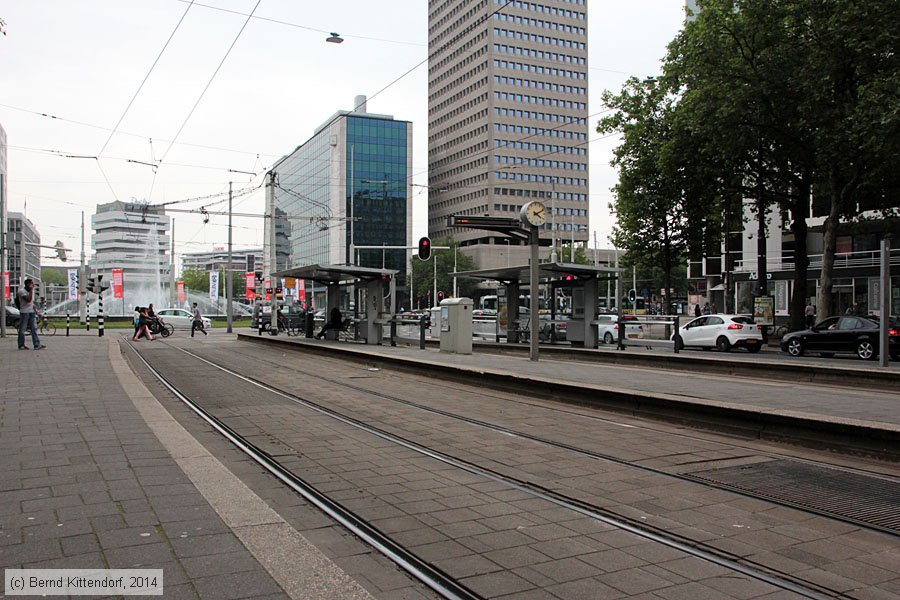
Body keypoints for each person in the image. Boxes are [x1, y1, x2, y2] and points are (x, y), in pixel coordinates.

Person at [17, 279, 44, 350]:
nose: (33, 285)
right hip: (24, 312)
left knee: (34, 328)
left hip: (31, 312)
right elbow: (28, 300)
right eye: (31, 284)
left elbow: (31, 303)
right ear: (27, 285)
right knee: (22, 329)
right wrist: (31, 290)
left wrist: (37, 311)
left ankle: (37, 344)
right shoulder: (22, 291)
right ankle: (21, 345)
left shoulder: (30, 291)